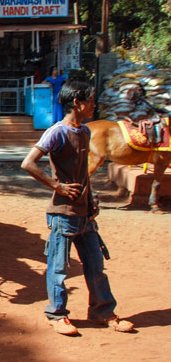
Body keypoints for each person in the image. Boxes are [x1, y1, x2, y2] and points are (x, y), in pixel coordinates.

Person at [21, 80, 134, 336]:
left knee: (95, 265)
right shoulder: (56, 132)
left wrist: (91, 198)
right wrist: (57, 187)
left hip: (85, 214)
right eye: (90, 101)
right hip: (63, 214)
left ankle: (102, 311)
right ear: (76, 102)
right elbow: (28, 163)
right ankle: (57, 314)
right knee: (58, 267)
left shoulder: (84, 131)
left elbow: (84, 172)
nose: (93, 105)